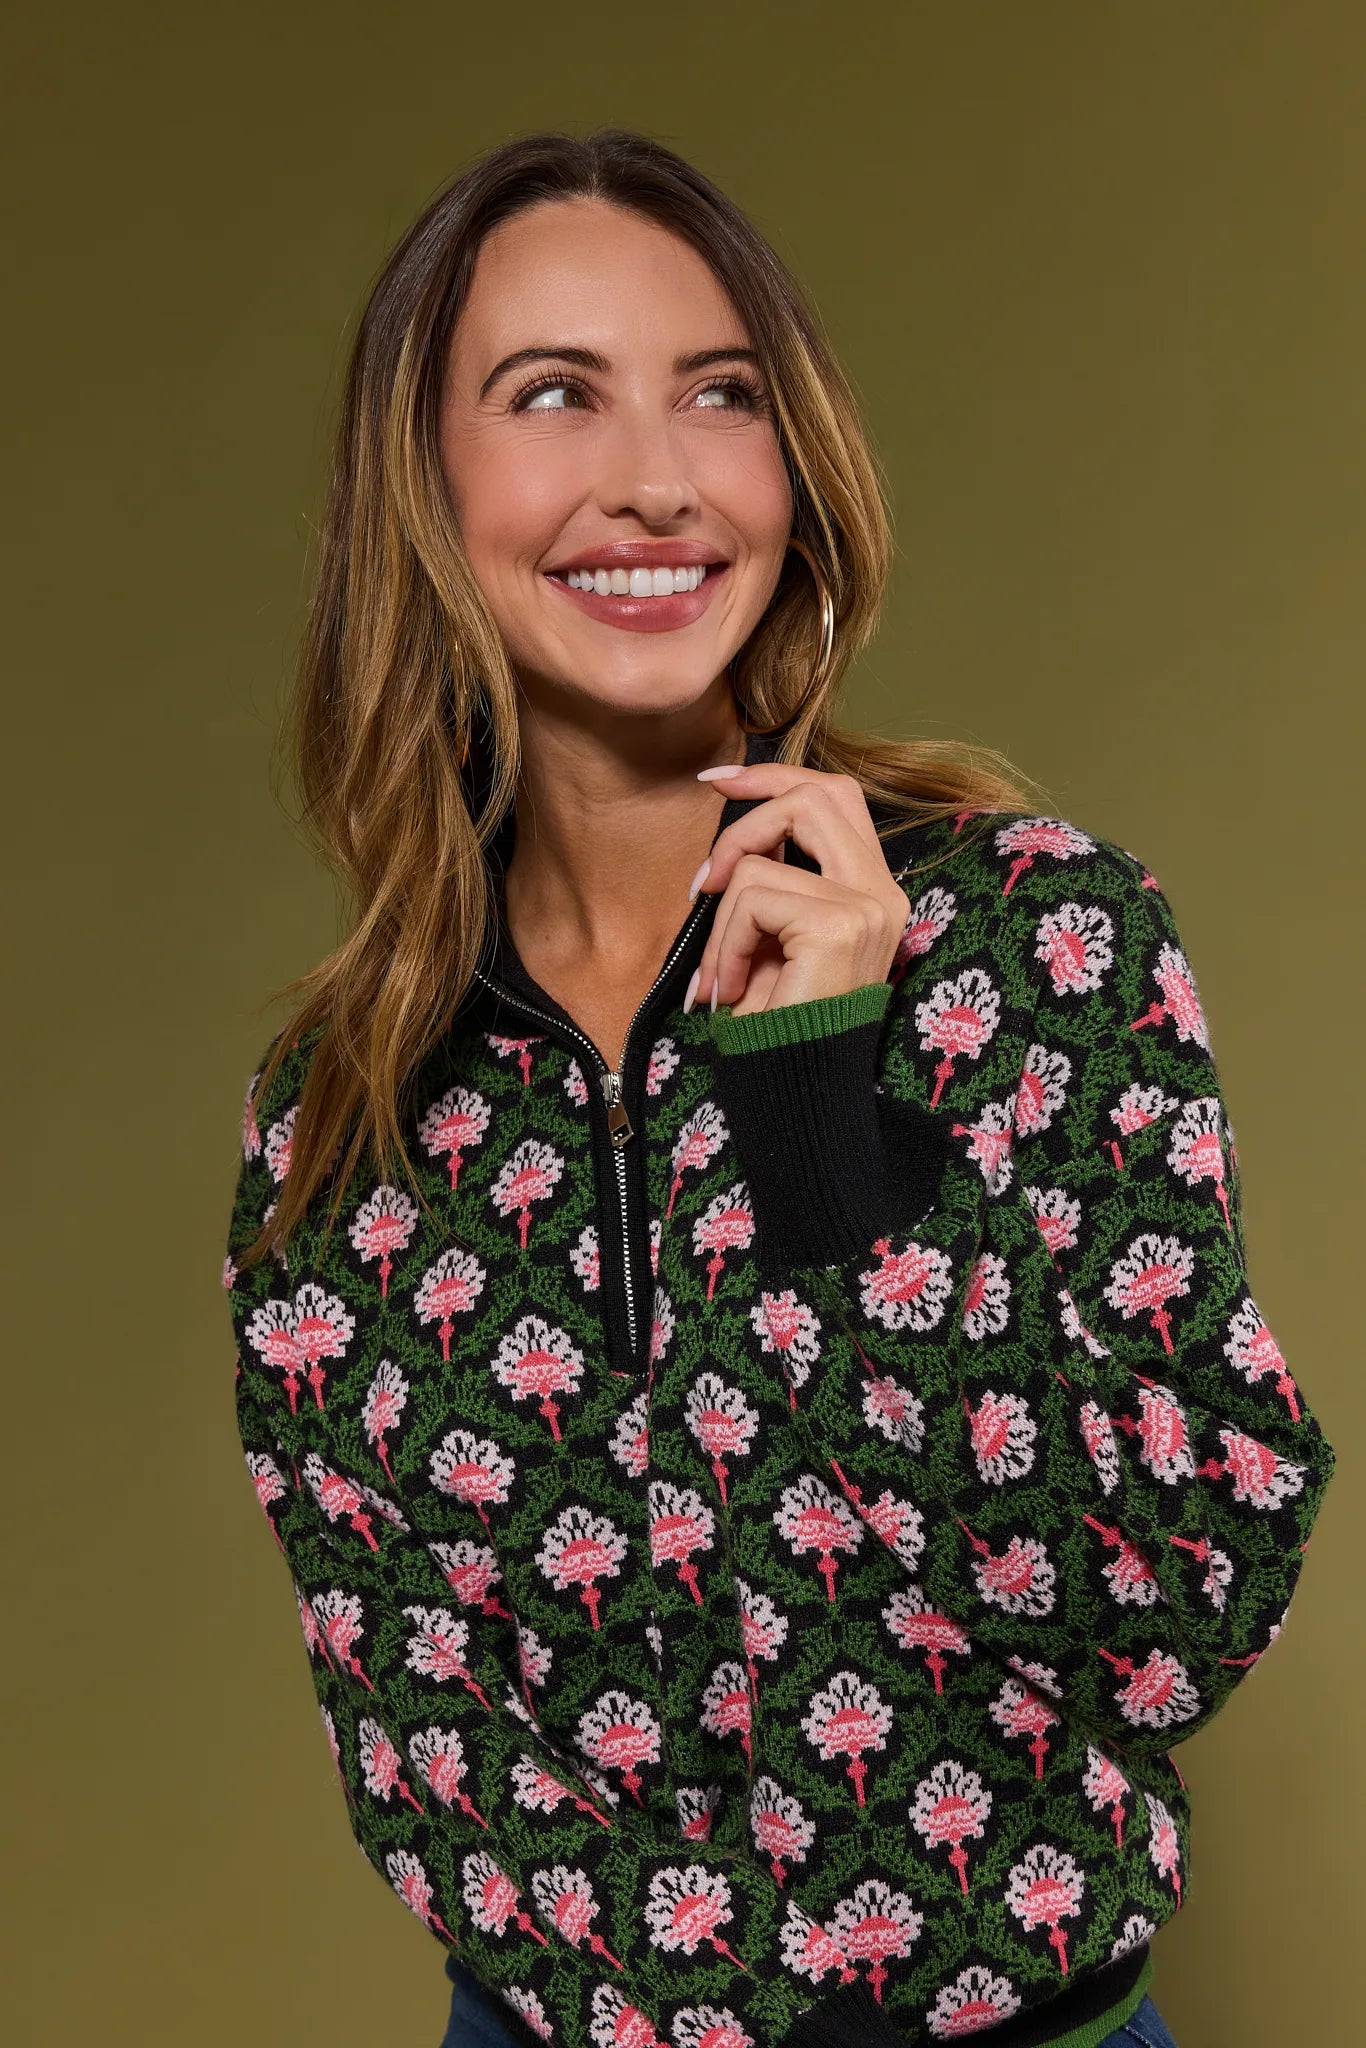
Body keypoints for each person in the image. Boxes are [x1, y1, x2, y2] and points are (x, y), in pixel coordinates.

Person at [223, 129, 1334, 2048]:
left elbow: (1181, 1604)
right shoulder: (346, 1095)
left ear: (790, 471)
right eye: (551, 394)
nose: (651, 476)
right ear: (425, 485)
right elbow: (398, 1692)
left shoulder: (1029, 938)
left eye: (717, 396)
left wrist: (822, 1113)